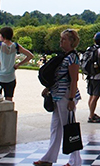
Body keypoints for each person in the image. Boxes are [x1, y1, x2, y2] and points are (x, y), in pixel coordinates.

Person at [33, 29, 82, 166]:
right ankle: (49, 157)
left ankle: (75, 160)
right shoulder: (65, 56)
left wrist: (71, 99)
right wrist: (49, 88)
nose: (61, 41)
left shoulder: (72, 57)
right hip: (58, 95)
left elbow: (74, 80)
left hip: (66, 95)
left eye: (64, 39)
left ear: (71, 42)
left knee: (68, 128)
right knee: (56, 127)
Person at [0, 26, 33, 101]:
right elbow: (30, 55)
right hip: (11, 77)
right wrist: (18, 64)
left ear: (3, 36)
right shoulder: (15, 46)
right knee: (9, 100)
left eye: (0, 34)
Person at [86, 32, 100, 123]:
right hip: (98, 75)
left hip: (90, 75)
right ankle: (91, 116)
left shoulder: (89, 48)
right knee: (95, 96)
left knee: (91, 96)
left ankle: (92, 113)